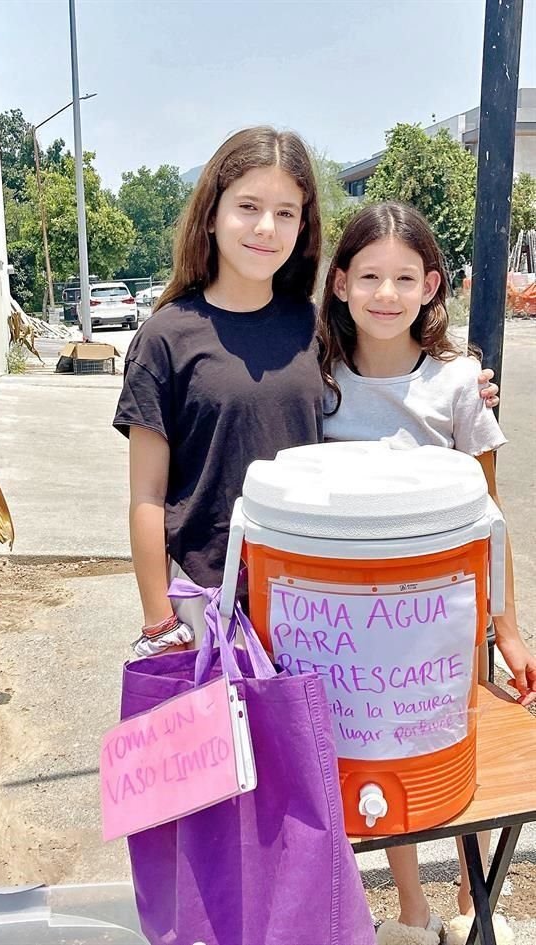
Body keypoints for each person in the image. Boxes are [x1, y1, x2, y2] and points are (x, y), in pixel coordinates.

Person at [113, 128, 498, 658]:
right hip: (206, 600)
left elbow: (384, 359)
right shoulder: (164, 338)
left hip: (310, 594)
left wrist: (461, 375)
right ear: (211, 213)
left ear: (303, 224)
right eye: (248, 205)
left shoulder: (310, 327)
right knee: (224, 742)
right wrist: (158, 621)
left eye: (286, 212)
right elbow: (147, 496)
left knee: (307, 741)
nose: (266, 227)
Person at [318, 200, 536, 945]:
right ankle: (411, 910)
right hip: (355, 622)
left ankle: (473, 906)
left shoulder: (455, 384)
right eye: (370, 275)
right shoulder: (318, 383)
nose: (386, 293)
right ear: (340, 282)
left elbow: (491, 511)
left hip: (446, 616)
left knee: (458, 748)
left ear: (432, 286)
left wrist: (507, 628)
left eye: (403, 277)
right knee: (387, 760)